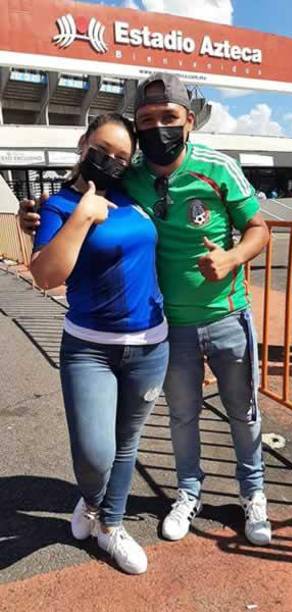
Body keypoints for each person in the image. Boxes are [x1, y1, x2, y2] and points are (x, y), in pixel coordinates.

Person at [23, 74, 275, 546]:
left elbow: (260, 229)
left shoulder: (218, 167)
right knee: (181, 415)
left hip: (225, 314)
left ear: (189, 122)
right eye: (147, 120)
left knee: (243, 413)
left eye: (169, 118)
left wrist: (232, 257)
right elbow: (80, 192)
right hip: (168, 327)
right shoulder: (129, 174)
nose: (158, 127)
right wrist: (37, 214)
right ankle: (188, 492)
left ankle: (253, 493)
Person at [29, 112, 167, 575]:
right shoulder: (59, 206)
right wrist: (84, 216)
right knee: (94, 452)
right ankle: (91, 499)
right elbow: (47, 275)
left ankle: (110, 524)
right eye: (102, 151)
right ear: (84, 144)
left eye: (121, 157)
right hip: (89, 346)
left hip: (150, 343)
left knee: (126, 443)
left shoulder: (136, 198)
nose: (110, 162)